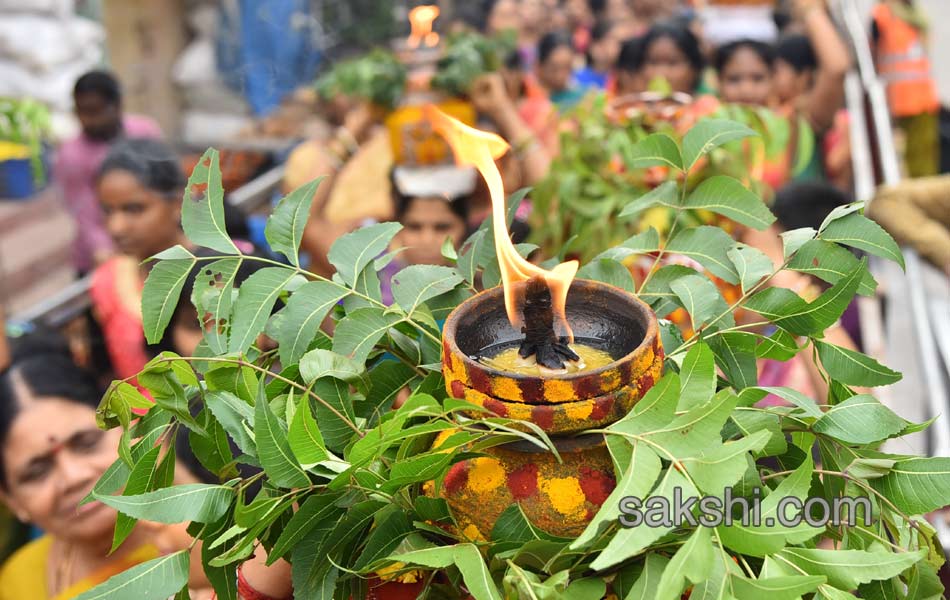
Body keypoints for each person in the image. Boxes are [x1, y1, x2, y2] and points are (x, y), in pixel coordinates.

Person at [0, 349, 171, 598]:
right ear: (12, 500)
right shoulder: (20, 581)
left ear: (130, 429)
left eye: (87, 443)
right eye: (37, 472)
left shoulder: (210, 535)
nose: (73, 477)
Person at [90, 138, 190, 381]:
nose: (116, 227)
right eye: (108, 211)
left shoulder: (216, 273)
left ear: (176, 204)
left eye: (134, 209)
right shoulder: (108, 280)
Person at [54, 70, 162, 276]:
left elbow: (163, 185)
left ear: (117, 105)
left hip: (152, 247)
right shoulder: (72, 156)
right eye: (81, 111)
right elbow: (83, 212)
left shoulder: (144, 131)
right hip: (106, 257)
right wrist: (105, 252)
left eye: (95, 111)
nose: (88, 120)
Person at [870, 0, 940, 178]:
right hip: (900, 99)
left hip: (924, 97)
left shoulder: (913, 12)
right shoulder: (882, 15)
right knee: (910, 158)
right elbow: (873, 55)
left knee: (926, 154)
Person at [637, 22, 706, 95]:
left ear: (695, 69)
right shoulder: (630, 105)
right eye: (653, 62)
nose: (661, 73)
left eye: (673, 63)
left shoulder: (710, 106)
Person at [535, 31, 586, 110]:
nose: (560, 76)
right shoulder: (529, 96)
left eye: (567, 67)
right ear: (540, 66)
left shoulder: (582, 97)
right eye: (554, 69)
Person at [715, 39, 775, 106]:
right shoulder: (707, 115)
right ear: (718, 81)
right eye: (734, 79)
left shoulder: (782, 115)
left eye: (757, 78)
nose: (746, 90)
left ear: (773, 79)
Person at [574, 21, 622, 91]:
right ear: (596, 46)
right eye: (614, 40)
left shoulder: (622, 78)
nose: (620, 46)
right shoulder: (576, 79)